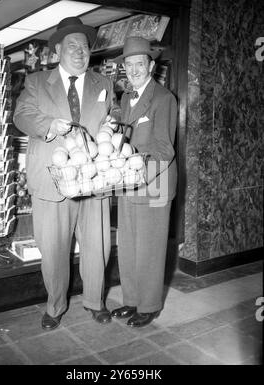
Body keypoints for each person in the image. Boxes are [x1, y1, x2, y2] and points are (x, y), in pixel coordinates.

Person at [14, 17, 119, 330]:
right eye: (72, 45)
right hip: (52, 180)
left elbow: (112, 115)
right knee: (54, 250)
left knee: (97, 246)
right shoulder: (36, 82)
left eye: (84, 46)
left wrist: (112, 126)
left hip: (93, 177)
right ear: (58, 49)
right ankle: (55, 306)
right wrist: (47, 126)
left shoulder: (104, 84)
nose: (79, 51)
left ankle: (95, 302)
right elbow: (21, 115)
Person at [111, 37, 178, 327]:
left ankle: (149, 305)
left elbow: (165, 150)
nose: (135, 69)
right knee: (127, 245)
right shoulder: (125, 98)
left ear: (151, 65)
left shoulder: (164, 98)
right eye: (129, 64)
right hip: (129, 182)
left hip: (155, 184)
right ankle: (131, 299)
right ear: (124, 68)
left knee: (149, 248)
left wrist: (136, 174)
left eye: (140, 63)